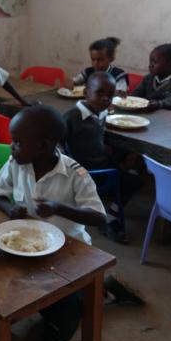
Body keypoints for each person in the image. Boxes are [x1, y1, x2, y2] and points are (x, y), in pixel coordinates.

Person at [0, 105, 106, 341]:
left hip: (71, 251)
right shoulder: (17, 163)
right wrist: (10, 209)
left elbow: (99, 217)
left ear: (43, 145)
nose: (11, 147)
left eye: (17, 142)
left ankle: (55, 332)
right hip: (29, 245)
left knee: (67, 302)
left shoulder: (75, 173)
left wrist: (58, 208)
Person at [63, 72, 142, 244]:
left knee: (136, 158)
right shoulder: (72, 117)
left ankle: (112, 188)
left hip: (100, 160)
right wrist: (71, 168)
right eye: (99, 93)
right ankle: (110, 218)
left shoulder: (101, 112)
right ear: (86, 93)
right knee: (135, 181)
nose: (105, 98)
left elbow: (96, 134)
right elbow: (58, 144)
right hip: (88, 171)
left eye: (110, 95)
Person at [131, 43, 171, 111]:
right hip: (145, 112)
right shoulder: (148, 78)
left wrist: (158, 104)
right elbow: (136, 94)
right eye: (150, 62)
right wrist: (126, 98)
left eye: (155, 62)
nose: (151, 65)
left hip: (166, 115)